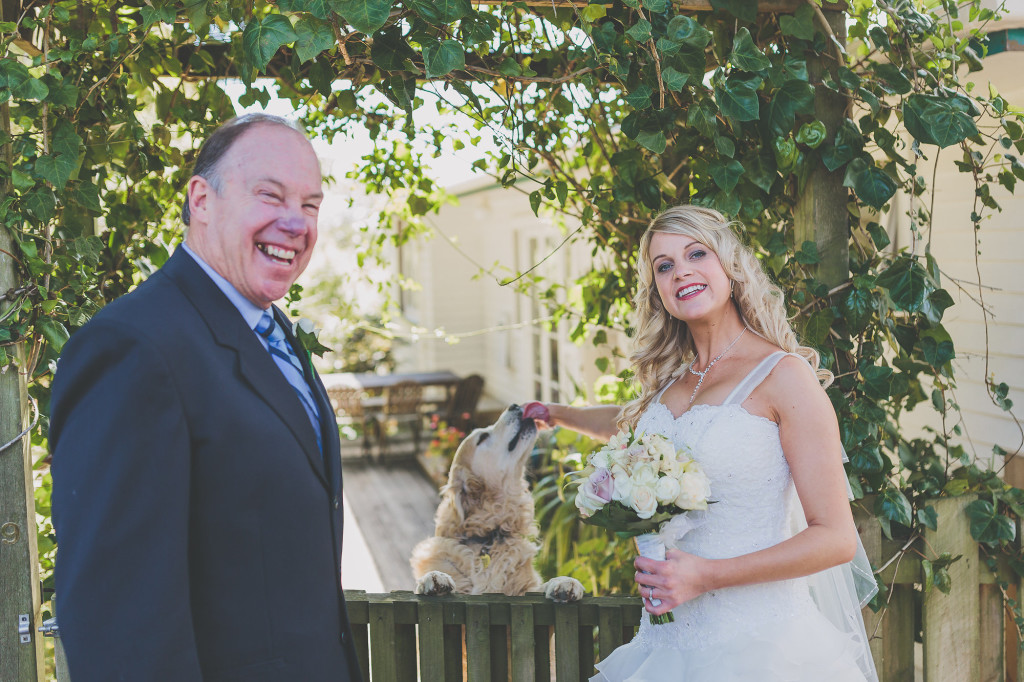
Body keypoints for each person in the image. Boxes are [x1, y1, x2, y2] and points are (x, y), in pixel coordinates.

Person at [50, 113, 363, 681]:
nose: (295, 222)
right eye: (270, 195)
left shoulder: (271, 330)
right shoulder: (134, 348)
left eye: (311, 205)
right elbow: (118, 622)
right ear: (202, 200)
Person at [537, 206, 878, 681]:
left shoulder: (784, 378)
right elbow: (630, 428)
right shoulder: (672, 384)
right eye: (665, 265)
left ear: (730, 267)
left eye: (696, 253)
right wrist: (557, 415)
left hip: (762, 652)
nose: (682, 271)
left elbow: (837, 539)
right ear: (657, 289)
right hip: (665, 650)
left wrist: (706, 576)